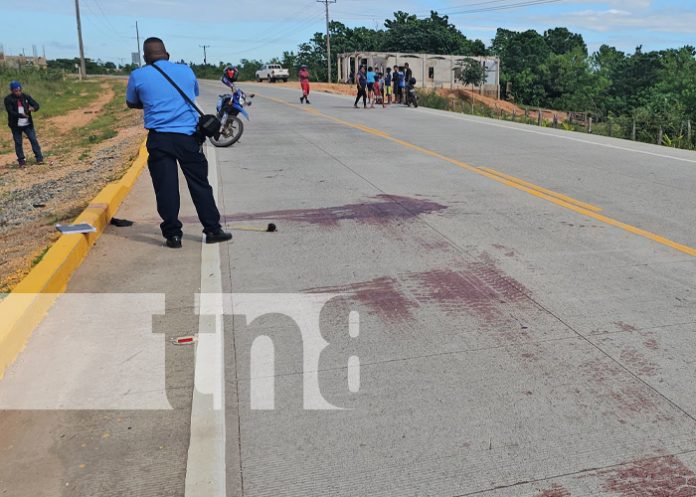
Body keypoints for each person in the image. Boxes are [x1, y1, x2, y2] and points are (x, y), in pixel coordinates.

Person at [126, 37, 232, 249]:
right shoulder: (186, 71)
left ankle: (173, 236)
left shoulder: (138, 75)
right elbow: (192, 94)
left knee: (166, 189)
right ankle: (212, 230)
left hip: (159, 139)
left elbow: (132, 102)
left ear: (145, 58)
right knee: (200, 185)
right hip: (188, 138)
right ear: (167, 54)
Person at [4, 81, 43, 167]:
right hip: (15, 125)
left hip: (28, 124)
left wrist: (33, 108)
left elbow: (36, 105)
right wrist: (21, 115)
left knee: (33, 140)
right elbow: (10, 112)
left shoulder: (26, 96)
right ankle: (21, 161)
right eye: (15, 91)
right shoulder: (8, 99)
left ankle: (39, 158)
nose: (17, 92)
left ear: (21, 89)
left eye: (18, 90)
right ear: (11, 91)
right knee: (18, 142)